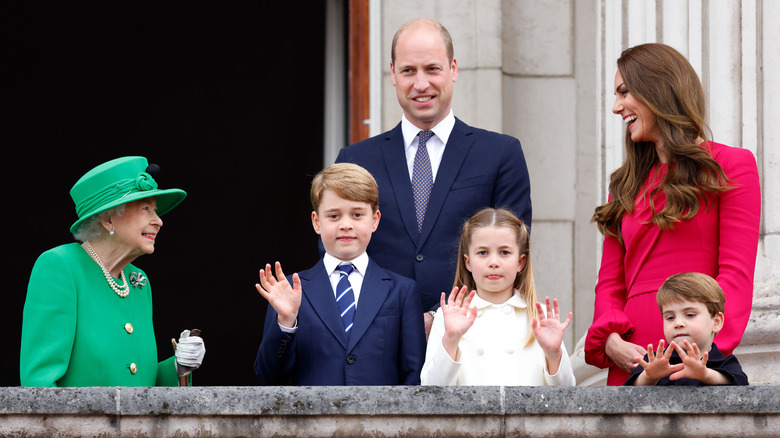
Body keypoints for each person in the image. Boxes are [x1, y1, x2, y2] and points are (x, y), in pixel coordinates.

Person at [335, 19, 532, 337]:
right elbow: (337, 252)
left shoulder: (500, 154)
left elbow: (513, 249)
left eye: (432, 69)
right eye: (409, 71)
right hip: (379, 341)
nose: (421, 83)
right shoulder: (356, 160)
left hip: (474, 339)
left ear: (453, 69)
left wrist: (442, 319)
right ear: (393, 74)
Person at [585, 43, 761, 386]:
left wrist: (704, 353)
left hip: (696, 359)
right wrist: (611, 342)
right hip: (634, 362)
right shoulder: (624, 185)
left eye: (624, 92)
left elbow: (736, 275)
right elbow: (609, 282)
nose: (616, 107)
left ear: (657, 89)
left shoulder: (731, 166)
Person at [20, 156, 205, 387]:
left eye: (155, 211)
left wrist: (178, 368)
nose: (158, 221)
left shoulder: (139, 283)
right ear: (108, 219)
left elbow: (140, 385)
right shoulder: (60, 267)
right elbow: (39, 384)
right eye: (146, 209)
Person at [253, 163, 426, 385]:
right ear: (317, 222)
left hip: (381, 418)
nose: (345, 225)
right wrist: (286, 322)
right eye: (334, 216)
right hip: (311, 417)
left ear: (374, 220)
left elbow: (414, 375)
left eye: (357, 215)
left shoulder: (402, 291)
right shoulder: (289, 289)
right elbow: (268, 375)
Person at [421, 208, 575, 386]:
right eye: (483, 253)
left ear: (520, 262)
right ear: (468, 262)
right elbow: (431, 391)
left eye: (504, 252)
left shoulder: (538, 317)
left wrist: (554, 354)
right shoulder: (448, 316)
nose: (493, 262)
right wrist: (451, 340)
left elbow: (568, 395)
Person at [625, 272, 748, 386]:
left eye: (690, 315)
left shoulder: (725, 364)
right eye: (670, 317)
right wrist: (649, 376)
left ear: (716, 322)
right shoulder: (656, 362)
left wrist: (706, 374)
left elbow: (742, 388)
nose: (678, 323)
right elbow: (625, 396)